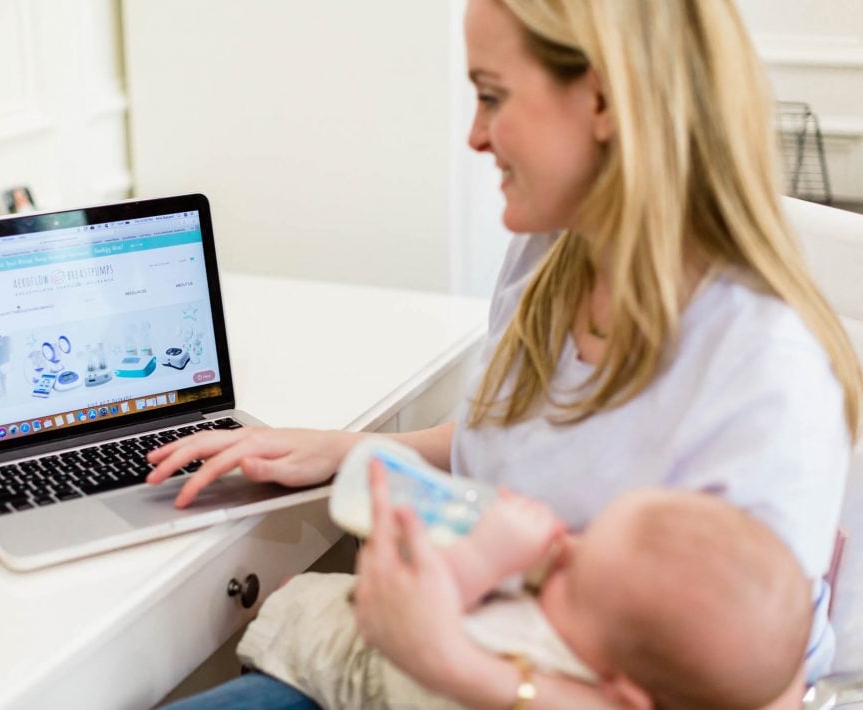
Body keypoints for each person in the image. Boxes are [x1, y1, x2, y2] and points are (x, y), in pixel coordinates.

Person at [150, 0, 862, 705]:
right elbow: (527, 443)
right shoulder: (551, 253)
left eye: (493, 96)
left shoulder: (768, 379)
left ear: (603, 100)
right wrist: (347, 448)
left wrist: (446, 658)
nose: (474, 136)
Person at [237, 483, 812, 709]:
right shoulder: (614, 648)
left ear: (625, 695)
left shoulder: (522, 657)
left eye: (572, 574)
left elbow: (406, 621)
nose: (566, 548)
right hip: (379, 628)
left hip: (339, 661)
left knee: (305, 610)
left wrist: (484, 558)